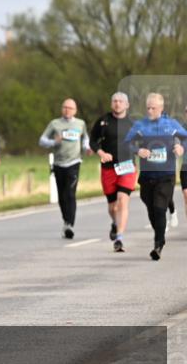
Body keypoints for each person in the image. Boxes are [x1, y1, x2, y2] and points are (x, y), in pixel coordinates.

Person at [123, 93, 187, 260]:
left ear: (161, 108)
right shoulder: (140, 125)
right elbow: (127, 143)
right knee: (150, 207)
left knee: (159, 208)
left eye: (153, 108)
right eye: (148, 108)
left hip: (166, 175)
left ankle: (158, 244)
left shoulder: (171, 124)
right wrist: (138, 150)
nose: (150, 110)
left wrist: (181, 148)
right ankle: (160, 228)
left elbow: (184, 138)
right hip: (147, 175)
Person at [39, 98, 91, 239]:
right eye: (65, 107)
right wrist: (53, 142)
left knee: (70, 193)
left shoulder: (80, 124)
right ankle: (66, 221)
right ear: (62, 109)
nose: (67, 110)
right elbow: (41, 140)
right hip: (58, 163)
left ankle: (70, 225)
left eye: (70, 108)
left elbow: (85, 138)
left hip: (74, 162)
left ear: (75, 110)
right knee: (62, 196)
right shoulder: (55, 124)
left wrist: (87, 148)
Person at [89, 92, 135, 252]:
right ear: (111, 104)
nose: (117, 104)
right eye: (115, 101)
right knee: (113, 207)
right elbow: (92, 140)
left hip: (127, 167)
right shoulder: (103, 121)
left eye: (121, 101)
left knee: (123, 200)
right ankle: (115, 224)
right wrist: (101, 153)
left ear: (127, 105)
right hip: (109, 168)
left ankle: (120, 238)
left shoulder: (132, 123)